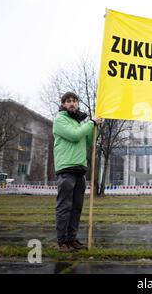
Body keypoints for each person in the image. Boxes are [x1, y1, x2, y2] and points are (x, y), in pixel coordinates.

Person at [53, 92, 102, 252]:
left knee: (76, 207)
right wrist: (90, 123)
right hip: (66, 168)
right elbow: (74, 136)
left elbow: (88, 141)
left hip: (80, 169)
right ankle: (62, 241)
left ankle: (72, 238)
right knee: (64, 207)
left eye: (74, 101)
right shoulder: (60, 120)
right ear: (63, 104)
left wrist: (96, 127)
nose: (72, 103)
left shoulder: (79, 122)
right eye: (68, 101)